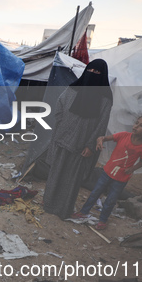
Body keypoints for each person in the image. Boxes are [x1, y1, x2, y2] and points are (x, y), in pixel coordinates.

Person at [43, 59, 113, 219]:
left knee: (72, 179)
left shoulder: (105, 99)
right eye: (91, 71)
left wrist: (90, 145)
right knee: (56, 173)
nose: (93, 75)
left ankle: (63, 209)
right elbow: (59, 106)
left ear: (103, 76)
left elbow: (102, 125)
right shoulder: (73, 89)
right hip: (63, 138)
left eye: (98, 73)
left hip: (82, 145)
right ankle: (48, 203)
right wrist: (61, 125)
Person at [71, 114, 142, 230]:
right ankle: (83, 212)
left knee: (111, 200)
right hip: (107, 172)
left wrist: (132, 169)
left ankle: (102, 220)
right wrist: (100, 141)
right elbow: (102, 138)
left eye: (141, 126)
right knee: (95, 192)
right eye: (136, 123)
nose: (136, 126)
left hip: (121, 178)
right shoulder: (123, 136)